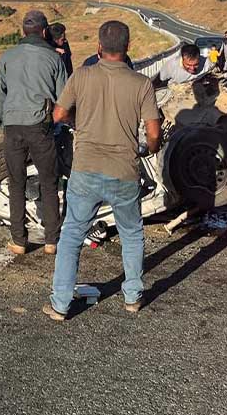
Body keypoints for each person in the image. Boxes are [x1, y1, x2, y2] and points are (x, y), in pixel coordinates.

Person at [44, 20, 161, 320]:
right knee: (132, 235)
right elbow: (154, 133)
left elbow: (58, 114)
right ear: (128, 48)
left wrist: (76, 123)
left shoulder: (82, 76)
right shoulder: (141, 84)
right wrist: (149, 148)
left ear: (98, 47)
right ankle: (133, 296)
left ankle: (60, 304)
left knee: (71, 236)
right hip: (124, 170)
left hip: (85, 170)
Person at [0, 10, 67, 255]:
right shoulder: (53, 59)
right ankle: (51, 240)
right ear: (45, 32)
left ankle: (19, 241)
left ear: (23, 32)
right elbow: (63, 99)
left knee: (16, 183)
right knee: (49, 182)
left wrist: (4, 120)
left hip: (12, 127)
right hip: (40, 126)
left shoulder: (6, 57)